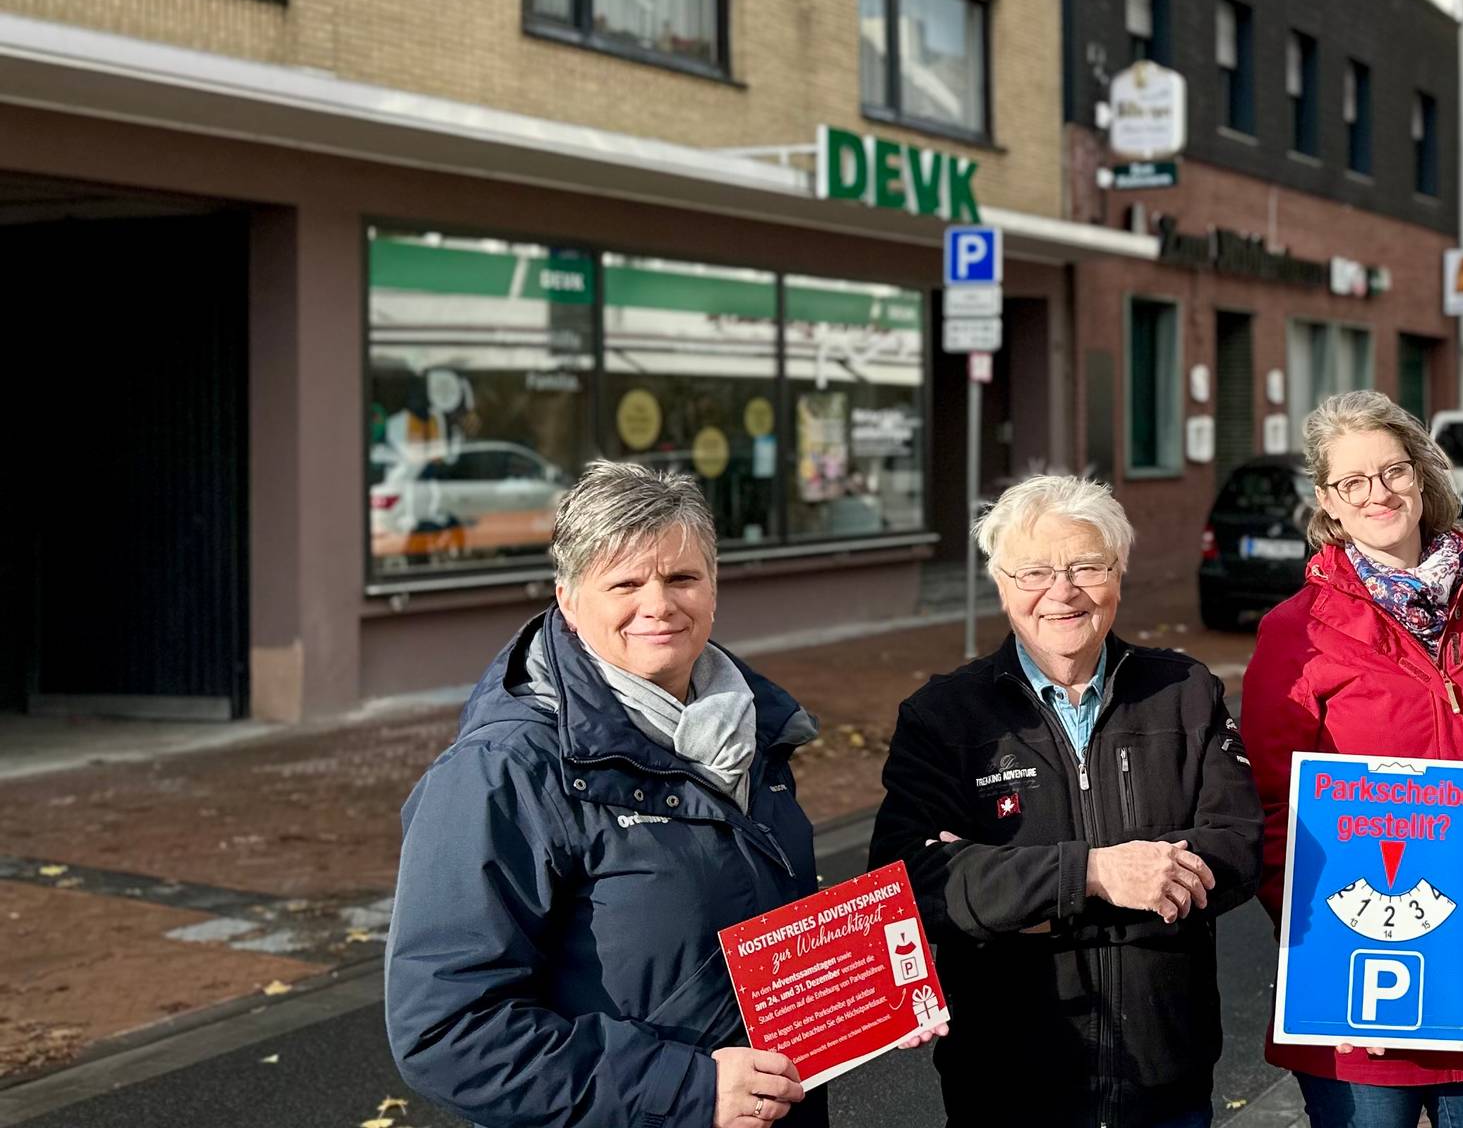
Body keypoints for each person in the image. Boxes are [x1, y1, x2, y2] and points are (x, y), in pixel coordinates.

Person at [386, 462, 941, 1128]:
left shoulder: (748, 726)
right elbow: (447, 1034)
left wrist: (867, 988)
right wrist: (688, 1089)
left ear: (714, 586)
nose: (659, 605)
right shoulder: (501, 772)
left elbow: (729, 921)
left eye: (682, 577)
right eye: (625, 583)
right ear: (567, 598)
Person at [867, 474, 1260, 1127]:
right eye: (1034, 572)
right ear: (1000, 583)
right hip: (1005, 1092)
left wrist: (1008, 898)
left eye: (1086, 565)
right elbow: (908, 889)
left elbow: (1238, 849)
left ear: (1119, 573)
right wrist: (1097, 875)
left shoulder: (1184, 690)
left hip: (1165, 1090)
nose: (1062, 591)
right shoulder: (943, 716)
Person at [1242, 391, 1463, 1127]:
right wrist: (1316, 935)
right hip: (1356, 976)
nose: (1377, 494)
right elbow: (1271, 807)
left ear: (1422, 477)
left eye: (1391, 471)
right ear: (1328, 502)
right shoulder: (1293, 632)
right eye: (1352, 482)